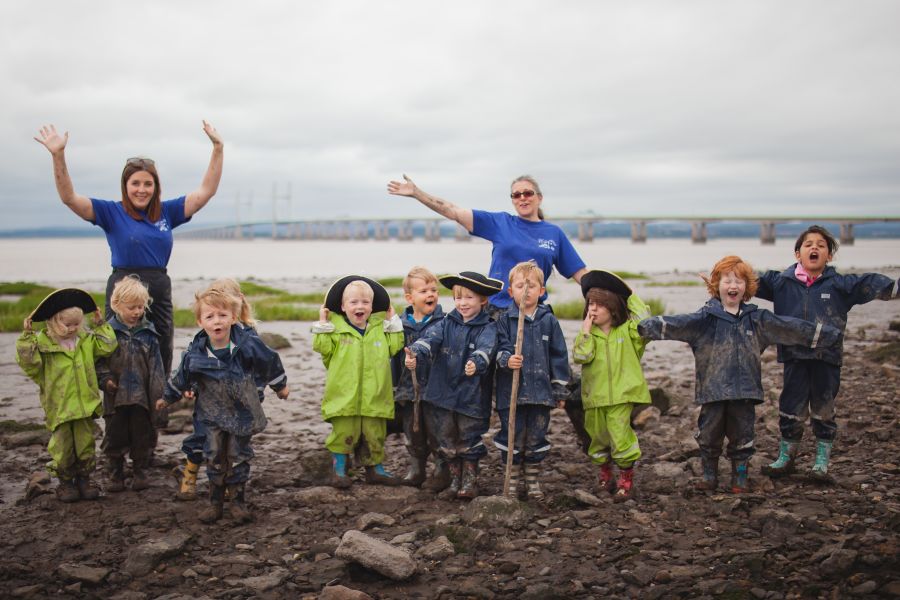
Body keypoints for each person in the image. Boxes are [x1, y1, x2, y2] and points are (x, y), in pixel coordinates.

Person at [34, 121, 224, 376]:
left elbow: (206, 191)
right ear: (125, 185)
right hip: (122, 287)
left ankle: (159, 402)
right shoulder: (110, 211)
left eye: (148, 184)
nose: (141, 190)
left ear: (155, 186)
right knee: (116, 348)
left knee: (161, 346)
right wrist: (58, 155)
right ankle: (119, 405)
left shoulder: (168, 211)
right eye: (135, 183)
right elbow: (69, 198)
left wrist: (218, 148)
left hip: (158, 286)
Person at [638, 256, 841, 493]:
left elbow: (789, 327)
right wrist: (644, 326)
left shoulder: (757, 319)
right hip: (712, 391)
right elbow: (675, 324)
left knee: (743, 437)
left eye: (739, 281)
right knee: (708, 436)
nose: (733, 286)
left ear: (747, 287)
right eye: (727, 281)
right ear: (716, 285)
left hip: (745, 391)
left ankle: (740, 476)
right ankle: (709, 475)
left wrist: (827, 336)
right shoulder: (704, 319)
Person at [755, 226, 896, 480]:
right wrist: (724, 276)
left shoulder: (840, 284)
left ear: (829, 256)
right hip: (794, 357)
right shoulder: (780, 282)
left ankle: (821, 461)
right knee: (790, 406)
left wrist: (894, 287)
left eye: (821, 245)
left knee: (824, 407)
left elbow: (870, 283)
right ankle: (786, 458)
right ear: (798, 253)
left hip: (827, 358)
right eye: (808, 244)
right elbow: (745, 281)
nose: (815, 248)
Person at [161, 288, 289, 524]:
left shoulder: (248, 343)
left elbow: (269, 362)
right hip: (211, 415)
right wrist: (169, 397)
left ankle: (238, 502)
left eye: (222, 315)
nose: (217, 321)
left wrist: (280, 386)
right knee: (213, 455)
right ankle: (215, 502)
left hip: (242, 413)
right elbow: (182, 376)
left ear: (233, 317)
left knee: (238, 456)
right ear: (200, 322)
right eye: (210, 317)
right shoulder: (195, 352)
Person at [387, 174, 587, 314]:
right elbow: (453, 211)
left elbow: (581, 274)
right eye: (516, 195)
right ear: (512, 200)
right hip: (497, 310)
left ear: (539, 198)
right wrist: (417, 193)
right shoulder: (500, 223)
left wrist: (608, 297)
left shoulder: (554, 233)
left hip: (535, 312)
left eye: (528, 193)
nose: (523, 198)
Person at [405, 271, 502, 499]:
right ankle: (454, 480)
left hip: (472, 395)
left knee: (469, 437)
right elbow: (430, 339)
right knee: (446, 438)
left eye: (469, 298)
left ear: (483, 300)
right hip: (443, 392)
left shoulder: (488, 326)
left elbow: (487, 349)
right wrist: (416, 351)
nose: (463, 303)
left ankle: (470, 481)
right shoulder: (447, 322)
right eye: (458, 298)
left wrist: (476, 362)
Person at [15, 289, 117, 502]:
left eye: (77, 324)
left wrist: (100, 325)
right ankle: (65, 483)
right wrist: (26, 337)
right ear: (52, 322)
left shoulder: (86, 341)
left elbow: (108, 346)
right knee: (62, 449)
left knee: (85, 446)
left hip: (84, 407)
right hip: (59, 408)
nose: (72, 328)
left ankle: (84, 480)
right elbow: (29, 363)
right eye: (67, 324)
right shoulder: (44, 345)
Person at [312, 276, 405, 488]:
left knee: (375, 435)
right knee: (344, 433)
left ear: (372, 307)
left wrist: (392, 320)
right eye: (353, 302)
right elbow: (322, 348)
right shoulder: (335, 331)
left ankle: (375, 469)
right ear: (343, 307)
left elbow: (395, 346)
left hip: (375, 395)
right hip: (344, 397)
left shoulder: (379, 328)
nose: (359, 306)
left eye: (365, 302)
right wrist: (324, 324)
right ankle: (339, 469)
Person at [173, 278, 257, 501]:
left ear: (237, 305)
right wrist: (189, 386)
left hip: (239, 405)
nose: (218, 317)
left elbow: (259, 367)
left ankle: (231, 486)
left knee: (233, 446)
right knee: (203, 439)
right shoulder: (205, 336)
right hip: (209, 403)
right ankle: (190, 473)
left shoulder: (249, 336)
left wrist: (257, 392)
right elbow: (191, 363)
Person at [572, 270, 651, 501]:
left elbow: (644, 319)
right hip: (594, 397)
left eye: (599, 304)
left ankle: (626, 477)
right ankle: (605, 475)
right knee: (597, 438)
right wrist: (585, 333)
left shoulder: (628, 332)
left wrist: (629, 292)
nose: (593, 309)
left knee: (620, 435)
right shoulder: (587, 334)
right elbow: (580, 357)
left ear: (613, 306)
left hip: (622, 396)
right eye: (590, 304)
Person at [494, 261, 570, 500]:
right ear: (510, 292)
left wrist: (559, 391)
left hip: (540, 393)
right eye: (519, 286)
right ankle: (512, 480)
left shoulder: (549, 321)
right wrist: (507, 359)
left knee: (537, 436)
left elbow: (559, 357)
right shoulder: (504, 320)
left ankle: (533, 479)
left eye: (531, 285)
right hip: (512, 394)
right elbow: (497, 348)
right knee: (512, 436)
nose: (525, 290)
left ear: (542, 290)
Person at [96, 276, 165, 492]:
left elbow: (157, 369)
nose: (137, 312)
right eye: (132, 307)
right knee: (114, 437)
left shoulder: (149, 333)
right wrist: (105, 380)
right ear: (116, 305)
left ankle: (140, 472)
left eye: (140, 307)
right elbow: (98, 362)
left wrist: (159, 396)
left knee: (141, 436)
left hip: (141, 398)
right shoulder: (107, 333)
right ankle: (116, 474)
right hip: (114, 399)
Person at [389, 267, 447, 488]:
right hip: (407, 389)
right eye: (424, 291)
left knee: (437, 431)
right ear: (409, 297)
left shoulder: (444, 322)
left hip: (435, 389)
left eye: (434, 290)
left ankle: (441, 469)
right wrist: (395, 387)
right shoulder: (400, 325)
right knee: (413, 431)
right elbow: (394, 358)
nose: (431, 294)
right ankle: (417, 468)